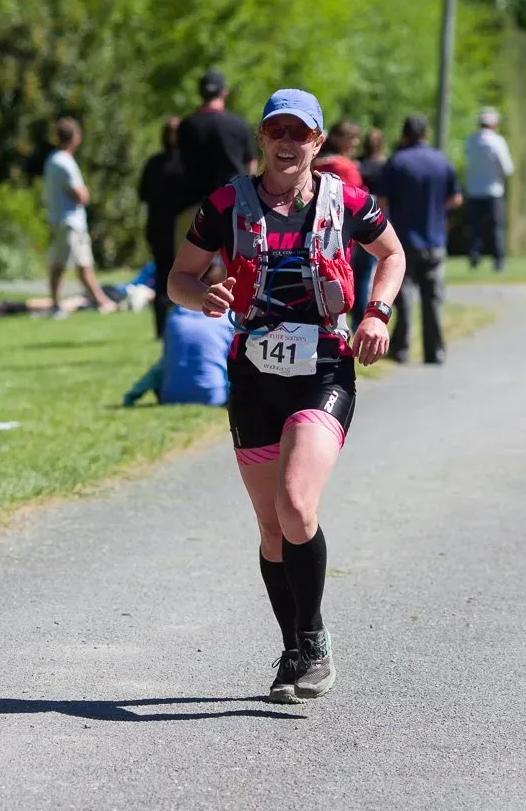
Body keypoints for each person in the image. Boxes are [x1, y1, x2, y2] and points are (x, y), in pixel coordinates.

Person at [167, 87, 406, 704]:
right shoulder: (225, 205)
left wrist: (377, 314)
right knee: (272, 530)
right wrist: (202, 296)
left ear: (318, 142)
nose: (288, 142)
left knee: (298, 504)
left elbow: (392, 254)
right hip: (252, 377)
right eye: (278, 131)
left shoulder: (348, 201)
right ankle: (293, 648)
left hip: (325, 369)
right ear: (262, 139)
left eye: (301, 133)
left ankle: (315, 638)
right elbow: (179, 277)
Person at [377, 114, 462, 366]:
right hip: (434, 240)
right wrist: (437, 209)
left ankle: (401, 349)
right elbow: (456, 199)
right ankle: (434, 351)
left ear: (404, 135)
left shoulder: (396, 162)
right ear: (426, 134)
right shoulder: (441, 161)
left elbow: (382, 202)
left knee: (404, 298)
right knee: (433, 299)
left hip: (403, 241)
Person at [43, 117, 115, 316]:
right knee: (83, 264)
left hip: (58, 219)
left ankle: (55, 303)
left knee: (58, 264)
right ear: (75, 137)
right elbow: (81, 194)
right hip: (71, 221)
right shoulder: (65, 162)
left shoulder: (52, 159)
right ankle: (102, 302)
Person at [122, 299, 235, 408]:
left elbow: (164, 364)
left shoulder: (174, 317)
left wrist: (133, 394)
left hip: (170, 396)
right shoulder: (229, 318)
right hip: (213, 396)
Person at [177, 69, 256, 212]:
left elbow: (179, 164)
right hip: (232, 206)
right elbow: (251, 165)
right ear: (224, 93)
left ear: (200, 93)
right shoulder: (238, 125)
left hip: (194, 206)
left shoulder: (186, 126)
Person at [138, 116, 188, 339]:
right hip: (177, 229)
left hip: (159, 227)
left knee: (165, 278)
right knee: (181, 277)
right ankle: (173, 326)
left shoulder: (154, 163)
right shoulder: (189, 164)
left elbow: (143, 194)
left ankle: (165, 328)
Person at [463, 107, 513, 272]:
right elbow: (507, 168)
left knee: (475, 228)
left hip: (474, 190)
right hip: (493, 190)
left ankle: (474, 258)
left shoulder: (470, 141)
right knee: (495, 228)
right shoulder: (497, 141)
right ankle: (498, 261)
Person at [351, 128, 388, 330]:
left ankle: (356, 316)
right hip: (374, 221)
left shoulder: (358, 165)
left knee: (356, 272)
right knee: (368, 274)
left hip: (355, 217)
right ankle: (363, 317)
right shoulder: (385, 167)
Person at [315, 121, 364, 187]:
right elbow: (357, 192)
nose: (356, 142)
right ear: (335, 139)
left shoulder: (313, 160)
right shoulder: (344, 166)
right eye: (351, 138)